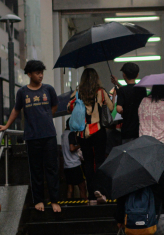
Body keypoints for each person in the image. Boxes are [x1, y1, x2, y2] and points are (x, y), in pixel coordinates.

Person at [0, 59, 61, 213]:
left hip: (49, 135)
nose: (41, 76)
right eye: (38, 73)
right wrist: (6, 126)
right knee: (36, 170)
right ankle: (38, 200)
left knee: (52, 168)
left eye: (42, 73)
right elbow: (16, 110)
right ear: (30, 74)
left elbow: (54, 106)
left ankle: (54, 200)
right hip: (32, 136)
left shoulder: (48, 89)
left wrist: (46, 118)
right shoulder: (23, 92)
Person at [77, 67, 114, 203]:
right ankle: (100, 191)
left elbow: (70, 107)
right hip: (98, 131)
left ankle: (91, 196)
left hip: (82, 132)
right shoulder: (101, 92)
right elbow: (110, 108)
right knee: (99, 161)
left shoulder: (78, 92)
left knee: (87, 162)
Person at [111, 62, 145, 145]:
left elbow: (118, 109)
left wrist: (124, 112)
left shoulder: (123, 91)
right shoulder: (142, 89)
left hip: (127, 129)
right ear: (137, 75)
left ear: (123, 75)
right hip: (140, 129)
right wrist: (117, 84)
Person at [61, 120, 88, 203]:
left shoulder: (63, 134)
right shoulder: (71, 133)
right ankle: (85, 208)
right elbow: (72, 148)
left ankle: (69, 208)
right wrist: (81, 145)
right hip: (75, 164)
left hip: (67, 166)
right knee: (82, 187)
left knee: (70, 189)